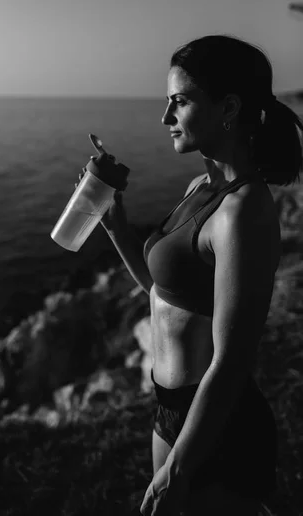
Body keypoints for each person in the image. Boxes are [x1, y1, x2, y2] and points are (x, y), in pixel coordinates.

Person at [95, 35, 303, 515]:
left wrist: (179, 471)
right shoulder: (199, 186)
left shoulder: (243, 212)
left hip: (214, 422)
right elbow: (163, 295)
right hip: (170, 406)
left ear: (228, 107)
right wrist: (116, 228)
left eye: (180, 102)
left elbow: (231, 361)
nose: (165, 118)